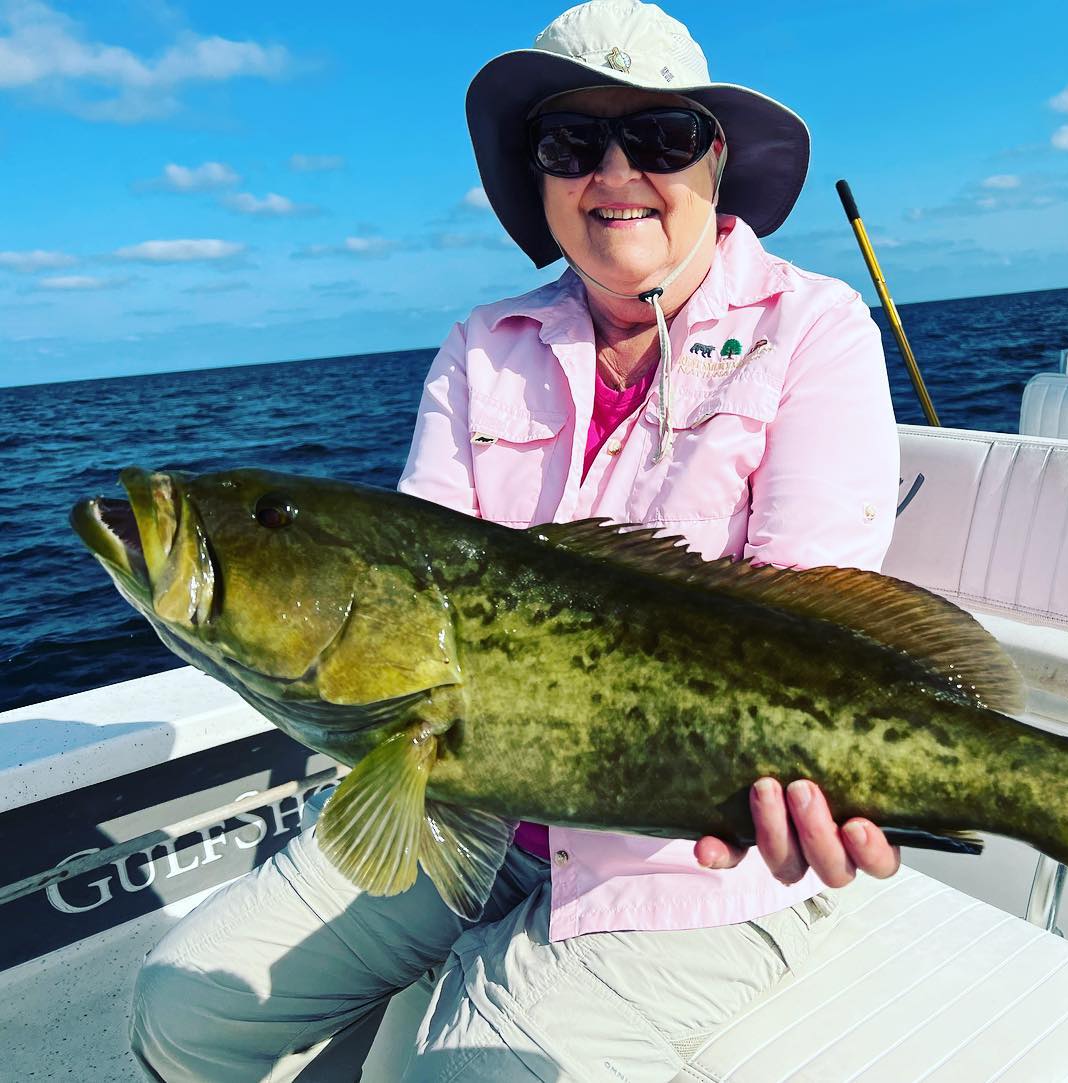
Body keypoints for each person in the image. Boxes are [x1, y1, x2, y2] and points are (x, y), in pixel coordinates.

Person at [130, 2, 902, 1079]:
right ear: (538, 179)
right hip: (461, 808)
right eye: (571, 143)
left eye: (663, 138)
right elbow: (410, 616)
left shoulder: (813, 325)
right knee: (183, 1008)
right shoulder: (480, 346)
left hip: (692, 855)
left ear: (714, 163)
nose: (615, 170)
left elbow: (805, 616)